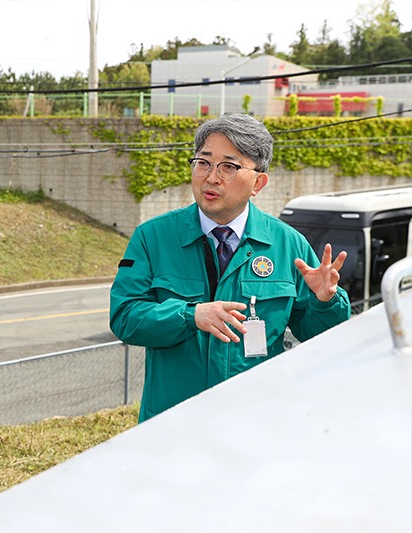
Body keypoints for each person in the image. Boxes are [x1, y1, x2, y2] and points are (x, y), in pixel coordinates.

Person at [110, 113, 351, 422]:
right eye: (203, 162)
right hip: (172, 423)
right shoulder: (153, 237)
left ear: (258, 182)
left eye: (229, 166)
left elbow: (322, 336)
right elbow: (125, 317)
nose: (211, 177)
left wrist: (325, 302)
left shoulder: (288, 244)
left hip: (255, 421)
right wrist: (190, 315)